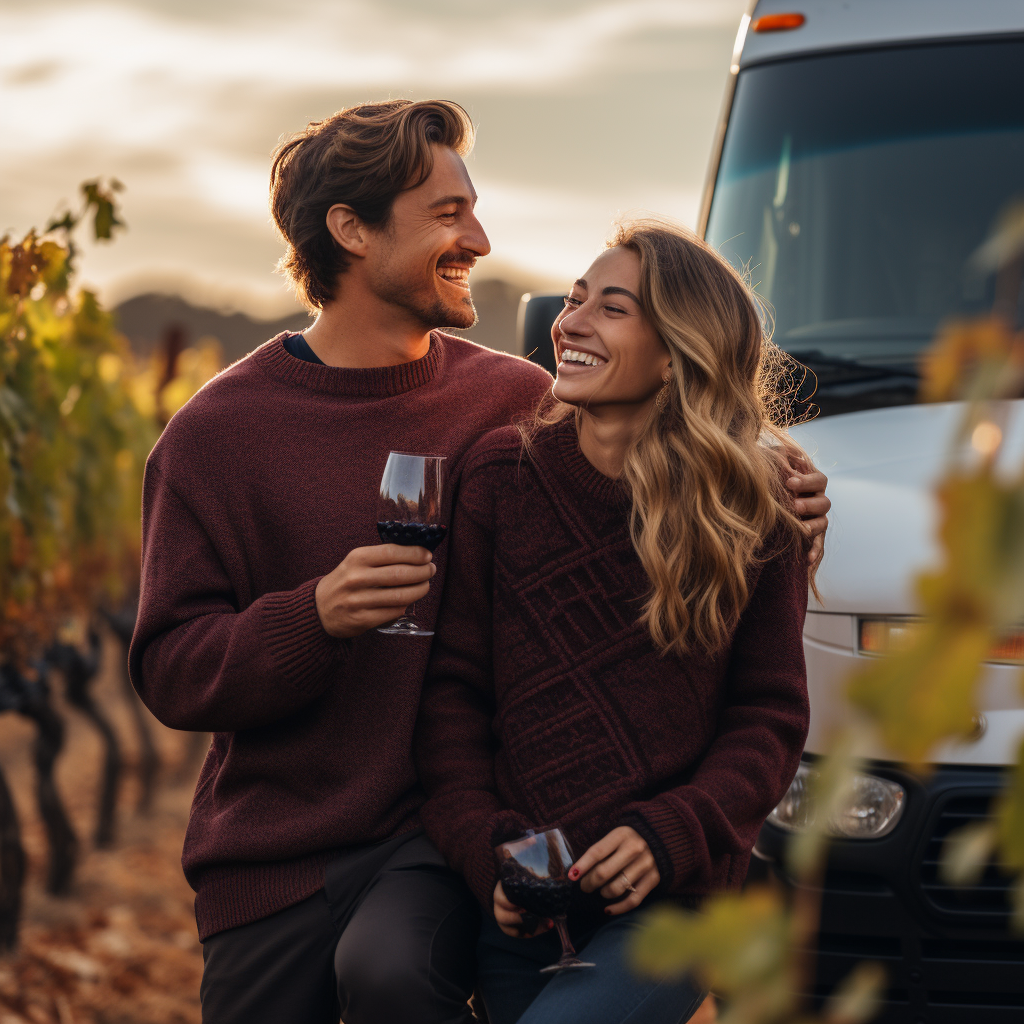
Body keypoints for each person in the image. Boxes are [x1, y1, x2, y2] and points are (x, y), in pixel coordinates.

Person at [129, 99, 830, 1024]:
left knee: (391, 974)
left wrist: (781, 491)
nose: (482, 238)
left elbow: (675, 431)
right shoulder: (215, 435)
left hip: (442, 832)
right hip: (281, 849)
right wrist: (316, 617)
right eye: (448, 214)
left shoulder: (516, 400)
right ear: (351, 230)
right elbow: (171, 671)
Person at [415, 220, 815, 1024]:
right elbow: (454, 698)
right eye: (573, 300)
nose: (571, 322)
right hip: (526, 890)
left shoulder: (754, 505)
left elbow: (768, 718)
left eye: (613, 307)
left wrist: (673, 831)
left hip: (677, 901)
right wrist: (488, 853)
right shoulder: (502, 476)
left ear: (677, 351)